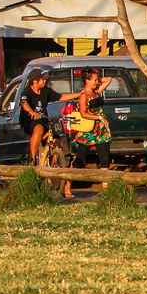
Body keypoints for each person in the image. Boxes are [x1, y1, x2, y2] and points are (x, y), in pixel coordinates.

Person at [59, 68, 115, 198]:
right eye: (94, 79)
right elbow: (84, 113)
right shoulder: (84, 95)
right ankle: (67, 186)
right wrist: (99, 117)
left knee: (105, 158)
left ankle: (106, 190)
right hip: (89, 129)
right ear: (87, 80)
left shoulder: (96, 92)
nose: (97, 82)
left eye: (97, 79)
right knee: (80, 160)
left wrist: (96, 80)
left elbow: (109, 80)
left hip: (101, 129)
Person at [19, 70, 56, 165]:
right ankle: (31, 160)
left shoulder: (45, 90)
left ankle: (52, 172)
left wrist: (80, 94)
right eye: (42, 79)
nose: (44, 81)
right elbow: (23, 103)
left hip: (44, 120)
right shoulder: (27, 91)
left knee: (57, 141)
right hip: (29, 120)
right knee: (38, 128)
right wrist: (31, 111)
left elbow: (61, 97)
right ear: (35, 81)